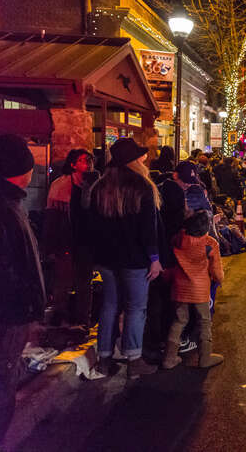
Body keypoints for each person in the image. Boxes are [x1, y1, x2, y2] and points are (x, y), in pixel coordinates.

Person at [88, 138, 162, 379]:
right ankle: (134, 359)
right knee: (136, 308)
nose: (144, 160)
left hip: (107, 258)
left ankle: (104, 359)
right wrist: (154, 258)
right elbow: (147, 228)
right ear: (132, 161)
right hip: (135, 258)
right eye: (140, 156)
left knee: (109, 305)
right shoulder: (142, 186)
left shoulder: (100, 187)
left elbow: (92, 227)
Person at [0, 135, 46, 439]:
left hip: (12, 311)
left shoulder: (12, 203)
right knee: (2, 378)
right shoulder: (6, 209)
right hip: (7, 314)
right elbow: (9, 267)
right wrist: (24, 306)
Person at [161, 211, 224, 369]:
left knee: (179, 321)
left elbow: (170, 261)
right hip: (200, 290)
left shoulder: (177, 239)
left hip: (179, 288)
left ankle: (169, 358)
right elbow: (217, 272)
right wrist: (219, 279)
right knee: (204, 322)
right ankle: (205, 358)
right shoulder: (210, 244)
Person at [44, 149, 97, 326]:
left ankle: (83, 319)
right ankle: (60, 318)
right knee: (63, 282)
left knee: (85, 283)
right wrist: (51, 245)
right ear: (73, 164)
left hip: (86, 242)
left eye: (90, 160)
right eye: (83, 160)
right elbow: (52, 217)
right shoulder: (60, 185)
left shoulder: (94, 186)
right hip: (66, 239)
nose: (88, 164)